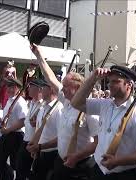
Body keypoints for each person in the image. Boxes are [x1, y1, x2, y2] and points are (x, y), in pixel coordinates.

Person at [71, 65, 136, 180]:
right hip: (99, 171)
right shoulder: (104, 105)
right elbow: (76, 103)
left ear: (129, 85)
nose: (110, 85)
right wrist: (93, 78)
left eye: (116, 81)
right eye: (109, 81)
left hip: (126, 174)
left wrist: (118, 161)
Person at [30, 44, 99, 180]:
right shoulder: (66, 102)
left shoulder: (90, 109)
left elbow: (98, 142)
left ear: (78, 88)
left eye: (66, 86)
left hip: (81, 166)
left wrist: (76, 157)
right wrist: (38, 55)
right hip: (61, 163)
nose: (63, 89)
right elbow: (50, 78)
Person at [0, 78, 28, 180]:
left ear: (18, 89)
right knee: (1, 162)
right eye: (8, 87)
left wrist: (8, 129)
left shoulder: (20, 102)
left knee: (16, 164)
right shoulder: (10, 100)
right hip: (6, 134)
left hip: (15, 135)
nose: (9, 89)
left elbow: (23, 121)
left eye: (12, 87)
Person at [15, 79, 43, 180]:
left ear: (39, 89)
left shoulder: (43, 104)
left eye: (31, 86)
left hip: (36, 143)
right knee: (20, 169)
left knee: (34, 172)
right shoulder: (31, 103)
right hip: (26, 140)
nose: (28, 88)